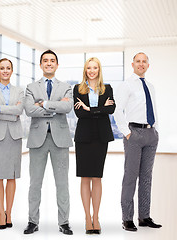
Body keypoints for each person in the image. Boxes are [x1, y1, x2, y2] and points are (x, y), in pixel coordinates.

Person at [23, 50, 73, 235]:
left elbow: (67, 107)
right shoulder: (30, 86)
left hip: (60, 140)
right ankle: (32, 221)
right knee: (35, 183)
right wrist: (55, 106)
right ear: (41, 64)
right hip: (38, 140)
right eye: (46, 61)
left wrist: (42, 104)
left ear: (57, 65)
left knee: (62, 184)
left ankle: (64, 222)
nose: (49, 63)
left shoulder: (66, 86)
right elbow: (29, 110)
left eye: (52, 61)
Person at [114, 52, 162, 231]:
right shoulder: (127, 85)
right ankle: (127, 218)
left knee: (147, 178)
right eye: (138, 61)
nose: (141, 64)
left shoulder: (150, 86)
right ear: (132, 64)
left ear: (148, 65)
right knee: (130, 177)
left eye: (144, 62)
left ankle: (144, 216)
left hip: (151, 134)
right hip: (134, 133)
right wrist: (127, 133)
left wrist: (156, 131)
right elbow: (117, 110)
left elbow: (154, 109)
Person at [73, 57, 115, 234]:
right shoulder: (77, 89)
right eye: (89, 68)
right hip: (83, 137)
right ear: (85, 70)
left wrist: (89, 109)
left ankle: (96, 217)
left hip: (101, 137)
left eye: (95, 67)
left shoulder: (107, 88)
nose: (92, 71)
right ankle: (87, 217)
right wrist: (99, 109)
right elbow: (78, 113)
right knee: (85, 177)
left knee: (97, 177)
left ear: (99, 70)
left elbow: (111, 110)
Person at [0, 58, 24, 229]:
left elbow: (19, 111)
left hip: (14, 137)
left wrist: (0, 108)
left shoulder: (19, 91)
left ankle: (9, 213)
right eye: (2, 68)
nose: (5, 71)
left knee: (11, 176)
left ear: (12, 71)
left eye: (8, 68)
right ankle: (0, 214)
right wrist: (10, 110)